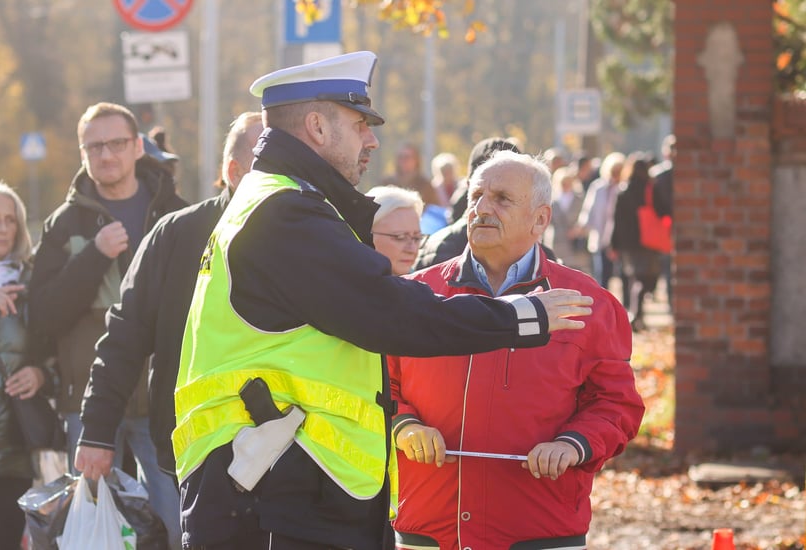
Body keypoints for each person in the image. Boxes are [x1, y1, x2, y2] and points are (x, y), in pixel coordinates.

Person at [173, 51, 595, 550]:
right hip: (276, 491)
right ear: (317, 126)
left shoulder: (275, 201)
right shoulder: (286, 213)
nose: (372, 140)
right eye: (359, 124)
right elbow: (388, 312)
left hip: (271, 481)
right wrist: (522, 316)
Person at [388, 151, 645, 550]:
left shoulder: (587, 303)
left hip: (538, 527)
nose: (481, 209)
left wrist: (572, 444)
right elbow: (378, 384)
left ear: (541, 219)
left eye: (502, 199)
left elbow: (617, 404)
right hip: (430, 524)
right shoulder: (415, 294)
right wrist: (404, 426)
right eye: (476, 196)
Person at [28, 102, 187, 544]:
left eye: (117, 143)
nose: (106, 155)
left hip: (163, 396)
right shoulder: (64, 224)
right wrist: (94, 255)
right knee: (95, 532)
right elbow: (44, 314)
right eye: (93, 146)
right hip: (89, 401)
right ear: (83, 154)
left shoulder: (176, 215)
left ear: (138, 147)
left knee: (177, 524)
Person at [76, 111, 263, 481]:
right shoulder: (178, 233)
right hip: (192, 447)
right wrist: (98, 431)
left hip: (292, 448)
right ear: (234, 171)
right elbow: (125, 335)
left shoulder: (313, 235)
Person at [0, 179, 56, 550]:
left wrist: (42, 375)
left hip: (9, 445)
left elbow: (57, 347)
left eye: (10, 219)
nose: (4, 227)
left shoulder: (34, 280)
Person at [414, 137, 523, 271]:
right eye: (481, 192)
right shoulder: (438, 249)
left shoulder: (534, 251)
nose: (487, 208)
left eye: (502, 195)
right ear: (469, 186)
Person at [612, 152, 662, 332]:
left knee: (635, 277)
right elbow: (662, 210)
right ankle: (636, 313)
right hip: (647, 241)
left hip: (627, 243)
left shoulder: (623, 191)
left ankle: (634, 313)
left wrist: (614, 244)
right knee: (646, 277)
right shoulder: (650, 189)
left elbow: (616, 220)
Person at [577, 151, 627, 299]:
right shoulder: (597, 188)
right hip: (600, 240)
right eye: (613, 171)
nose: (615, 175)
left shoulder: (624, 188)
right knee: (601, 278)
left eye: (619, 171)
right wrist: (582, 227)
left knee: (623, 277)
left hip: (620, 241)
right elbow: (588, 211)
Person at [366, 185, 425, 276]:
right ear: (367, 236)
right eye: (400, 237)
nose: (412, 249)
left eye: (417, 238)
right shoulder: (343, 286)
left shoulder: (426, 285)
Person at [548, 166, 590, 273]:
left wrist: (578, 229)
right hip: (557, 241)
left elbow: (586, 216)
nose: (565, 185)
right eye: (563, 182)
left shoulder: (580, 198)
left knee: (576, 271)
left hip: (575, 243)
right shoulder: (552, 199)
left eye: (568, 182)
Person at [651, 134, 675, 309]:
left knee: (668, 265)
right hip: (666, 225)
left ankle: (671, 300)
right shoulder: (659, 176)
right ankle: (672, 300)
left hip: (664, 225)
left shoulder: (657, 175)